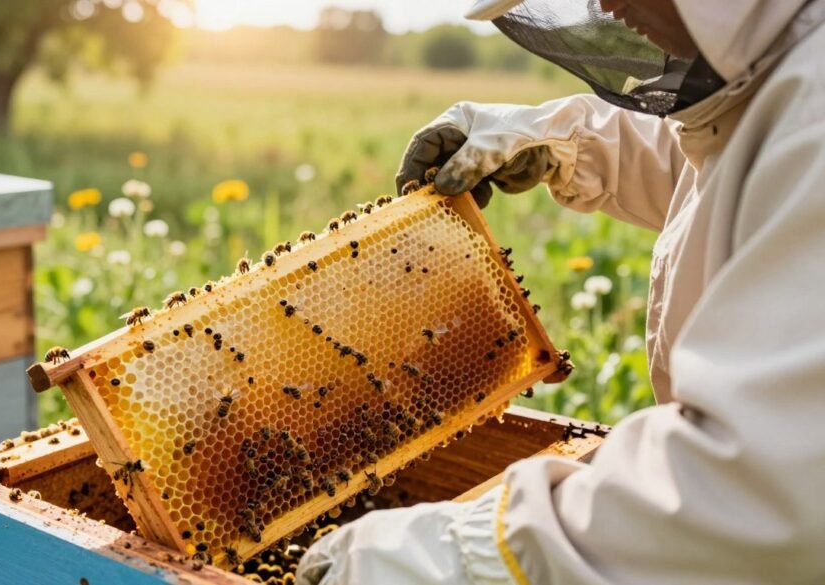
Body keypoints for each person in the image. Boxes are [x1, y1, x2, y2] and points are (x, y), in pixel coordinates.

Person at [297, 0, 825, 583]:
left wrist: (454, 557)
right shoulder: (791, 73)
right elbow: (729, 161)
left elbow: (759, 500)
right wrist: (562, 140)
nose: (602, 4)